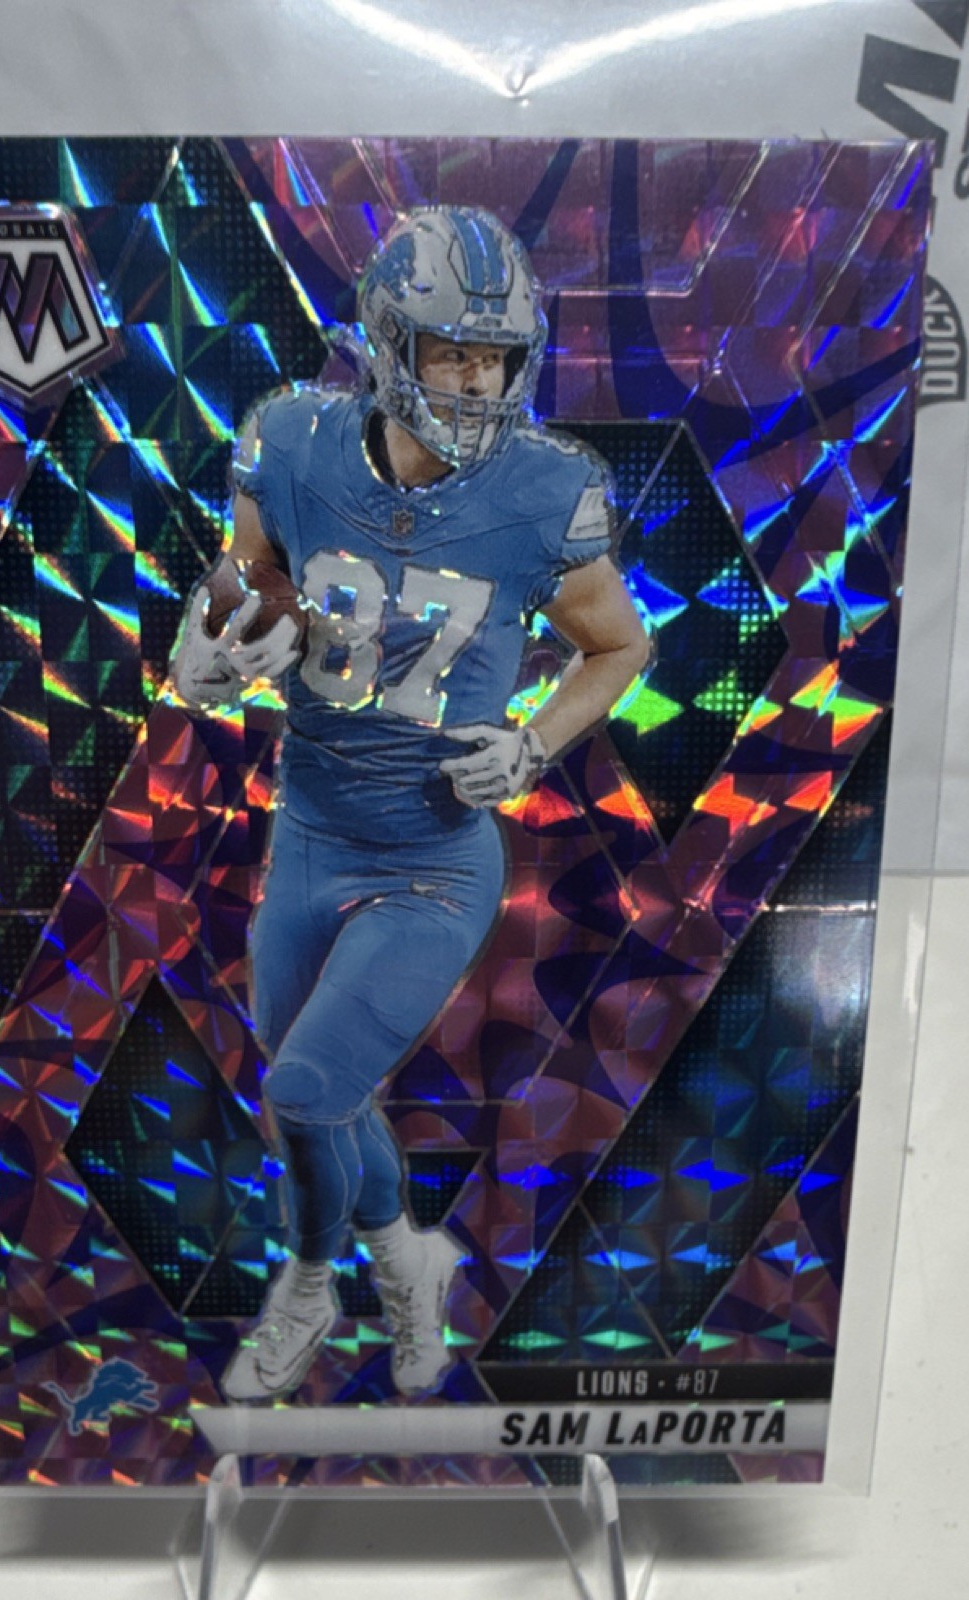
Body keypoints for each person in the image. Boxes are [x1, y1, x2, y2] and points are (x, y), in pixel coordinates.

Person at [168, 206, 650, 1402]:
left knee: (303, 1090)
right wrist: (200, 652)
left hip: (435, 858)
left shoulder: (542, 490)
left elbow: (619, 646)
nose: (477, 381)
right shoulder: (293, 440)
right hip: (310, 829)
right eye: (452, 351)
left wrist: (532, 745)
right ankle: (406, 1259)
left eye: (495, 357)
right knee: (317, 1093)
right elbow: (244, 580)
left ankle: (310, 1281)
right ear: (388, 343)